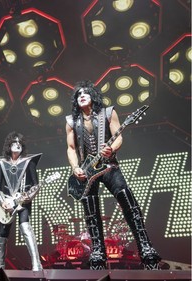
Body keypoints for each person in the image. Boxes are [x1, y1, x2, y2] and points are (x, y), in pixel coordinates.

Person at [65, 80, 161, 270]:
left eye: (86, 93)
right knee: (91, 213)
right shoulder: (71, 121)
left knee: (129, 203)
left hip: (109, 166)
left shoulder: (108, 112)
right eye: (78, 94)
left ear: (93, 95)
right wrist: (75, 167)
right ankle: (98, 253)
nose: (82, 95)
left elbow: (119, 137)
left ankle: (146, 249)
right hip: (87, 172)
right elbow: (70, 147)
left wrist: (111, 149)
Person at [0, 132, 43, 271]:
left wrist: (29, 197)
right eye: (14, 142)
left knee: (25, 227)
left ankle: (36, 265)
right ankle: (0, 268)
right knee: (2, 234)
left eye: (20, 142)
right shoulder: (1, 163)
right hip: (6, 202)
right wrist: (3, 202)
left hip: (23, 201)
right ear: (9, 146)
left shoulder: (29, 161)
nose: (17, 144)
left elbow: (36, 184)